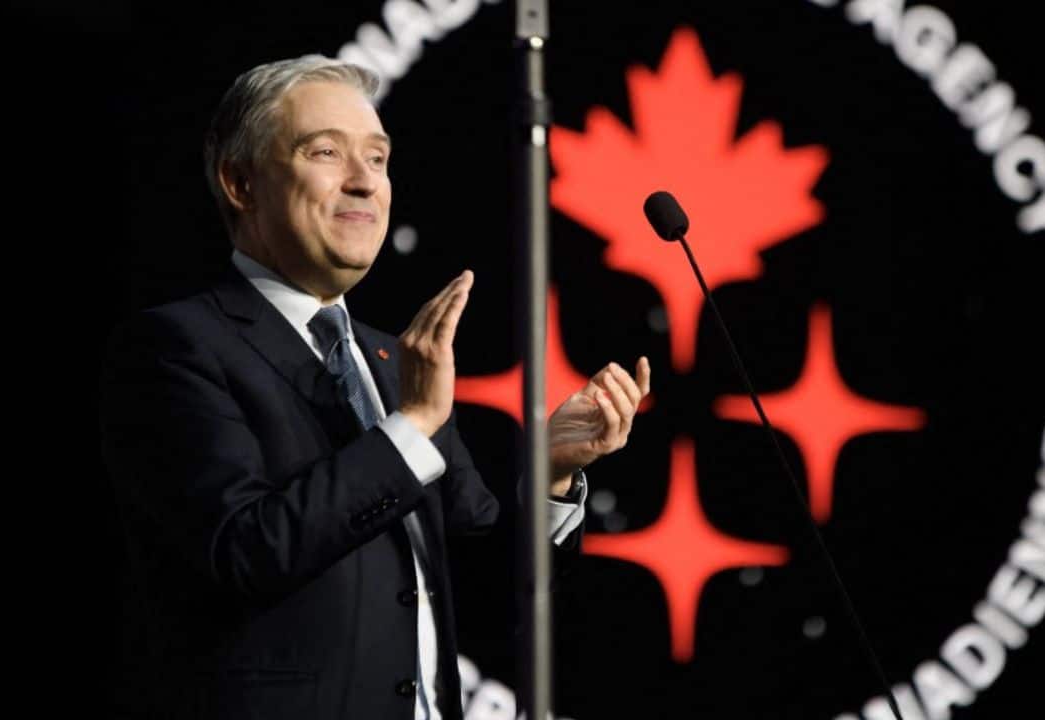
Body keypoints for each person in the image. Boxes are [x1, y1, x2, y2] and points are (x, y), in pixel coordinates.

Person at [99, 55, 650, 720]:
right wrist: (411, 426)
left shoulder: (394, 362)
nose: (365, 183)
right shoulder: (177, 348)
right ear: (240, 182)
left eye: (379, 158)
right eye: (326, 152)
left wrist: (551, 477)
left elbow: (483, 596)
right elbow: (245, 550)